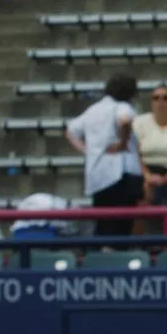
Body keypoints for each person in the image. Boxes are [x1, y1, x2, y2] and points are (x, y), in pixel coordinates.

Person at [64, 72, 144, 237]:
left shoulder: (93, 110)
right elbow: (124, 121)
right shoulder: (122, 106)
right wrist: (122, 143)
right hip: (121, 173)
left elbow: (70, 131)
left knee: (102, 222)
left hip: (98, 175)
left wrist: (87, 151)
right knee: (122, 224)